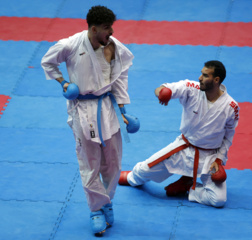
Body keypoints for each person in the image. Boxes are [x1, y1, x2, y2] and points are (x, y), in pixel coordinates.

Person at [41, 5, 134, 236]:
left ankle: (106, 201)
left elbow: (121, 75)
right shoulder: (70, 45)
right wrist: (63, 82)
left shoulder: (114, 46)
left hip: (107, 108)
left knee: (112, 162)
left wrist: (123, 109)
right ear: (93, 29)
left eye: (111, 26)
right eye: (106, 28)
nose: (111, 31)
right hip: (82, 110)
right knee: (89, 164)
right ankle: (96, 210)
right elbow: (47, 62)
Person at [119, 60, 239, 208]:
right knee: (143, 171)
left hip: (209, 157)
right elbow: (164, 87)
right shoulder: (192, 88)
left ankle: (189, 188)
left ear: (216, 80)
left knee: (218, 200)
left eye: (205, 75)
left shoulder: (231, 107)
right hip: (183, 148)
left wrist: (220, 159)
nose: (200, 77)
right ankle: (132, 177)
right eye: (201, 73)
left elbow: (228, 136)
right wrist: (163, 93)